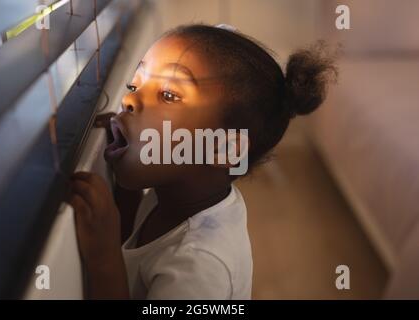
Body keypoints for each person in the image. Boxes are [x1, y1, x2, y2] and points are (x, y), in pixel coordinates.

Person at [68, 24, 338, 299]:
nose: (128, 99)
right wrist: (122, 187)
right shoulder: (175, 196)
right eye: (135, 85)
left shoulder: (200, 268)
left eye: (168, 95)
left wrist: (103, 261)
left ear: (223, 148)